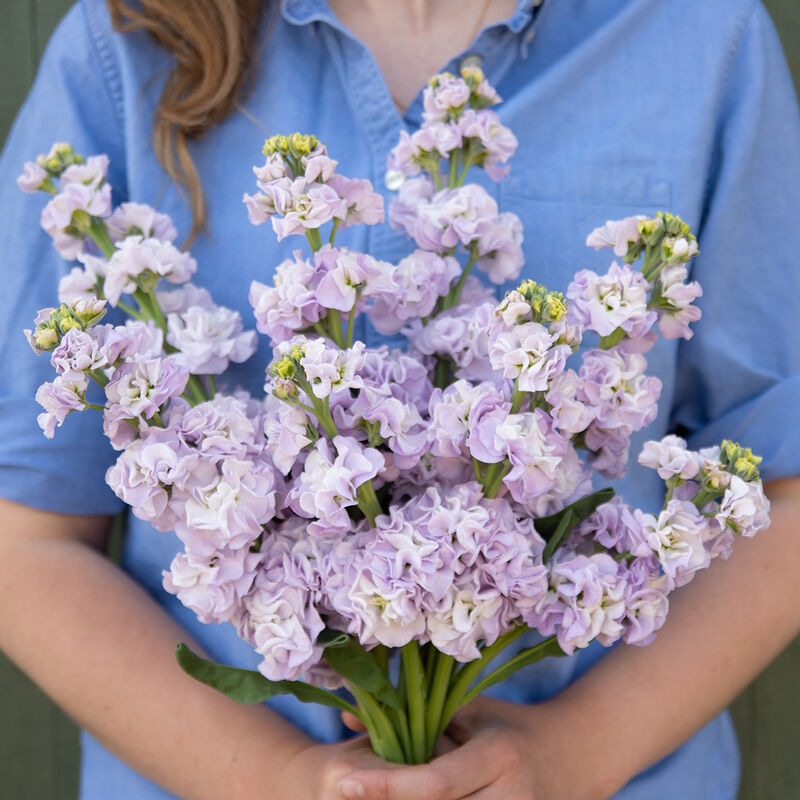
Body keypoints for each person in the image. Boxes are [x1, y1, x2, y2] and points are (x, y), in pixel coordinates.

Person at [1, 0, 799, 798]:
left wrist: (574, 755)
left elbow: (785, 485)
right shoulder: (132, 37)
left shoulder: (701, 34)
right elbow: (25, 542)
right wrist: (280, 779)